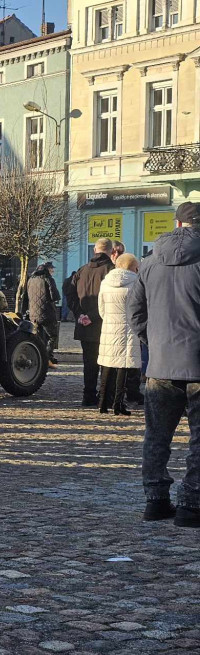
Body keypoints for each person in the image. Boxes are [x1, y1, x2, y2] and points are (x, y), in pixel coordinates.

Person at [127, 202, 200, 526]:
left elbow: (135, 314)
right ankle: (191, 505)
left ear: (176, 224)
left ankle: (155, 501)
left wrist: (153, 343)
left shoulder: (149, 263)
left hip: (161, 365)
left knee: (157, 436)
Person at [68, 238, 116, 406]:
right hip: (104, 325)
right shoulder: (111, 270)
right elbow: (111, 299)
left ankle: (88, 395)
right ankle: (105, 397)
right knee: (107, 363)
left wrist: (80, 314)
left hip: (84, 325)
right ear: (111, 251)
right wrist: (93, 316)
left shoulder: (82, 270)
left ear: (95, 250)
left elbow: (71, 295)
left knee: (89, 362)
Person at [98, 253, 142, 416]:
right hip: (128, 329)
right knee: (123, 366)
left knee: (107, 364)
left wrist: (109, 319)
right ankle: (118, 404)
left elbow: (101, 309)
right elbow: (139, 308)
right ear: (133, 267)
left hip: (109, 327)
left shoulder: (105, 282)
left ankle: (102, 403)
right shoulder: (135, 283)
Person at [27, 261, 61, 367]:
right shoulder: (48, 279)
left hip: (33, 314)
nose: (53, 271)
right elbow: (54, 296)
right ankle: (47, 358)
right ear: (47, 270)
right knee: (52, 336)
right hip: (46, 313)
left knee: (38, 337)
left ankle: (38, 357)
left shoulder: (31, 279)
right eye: (51, 269)